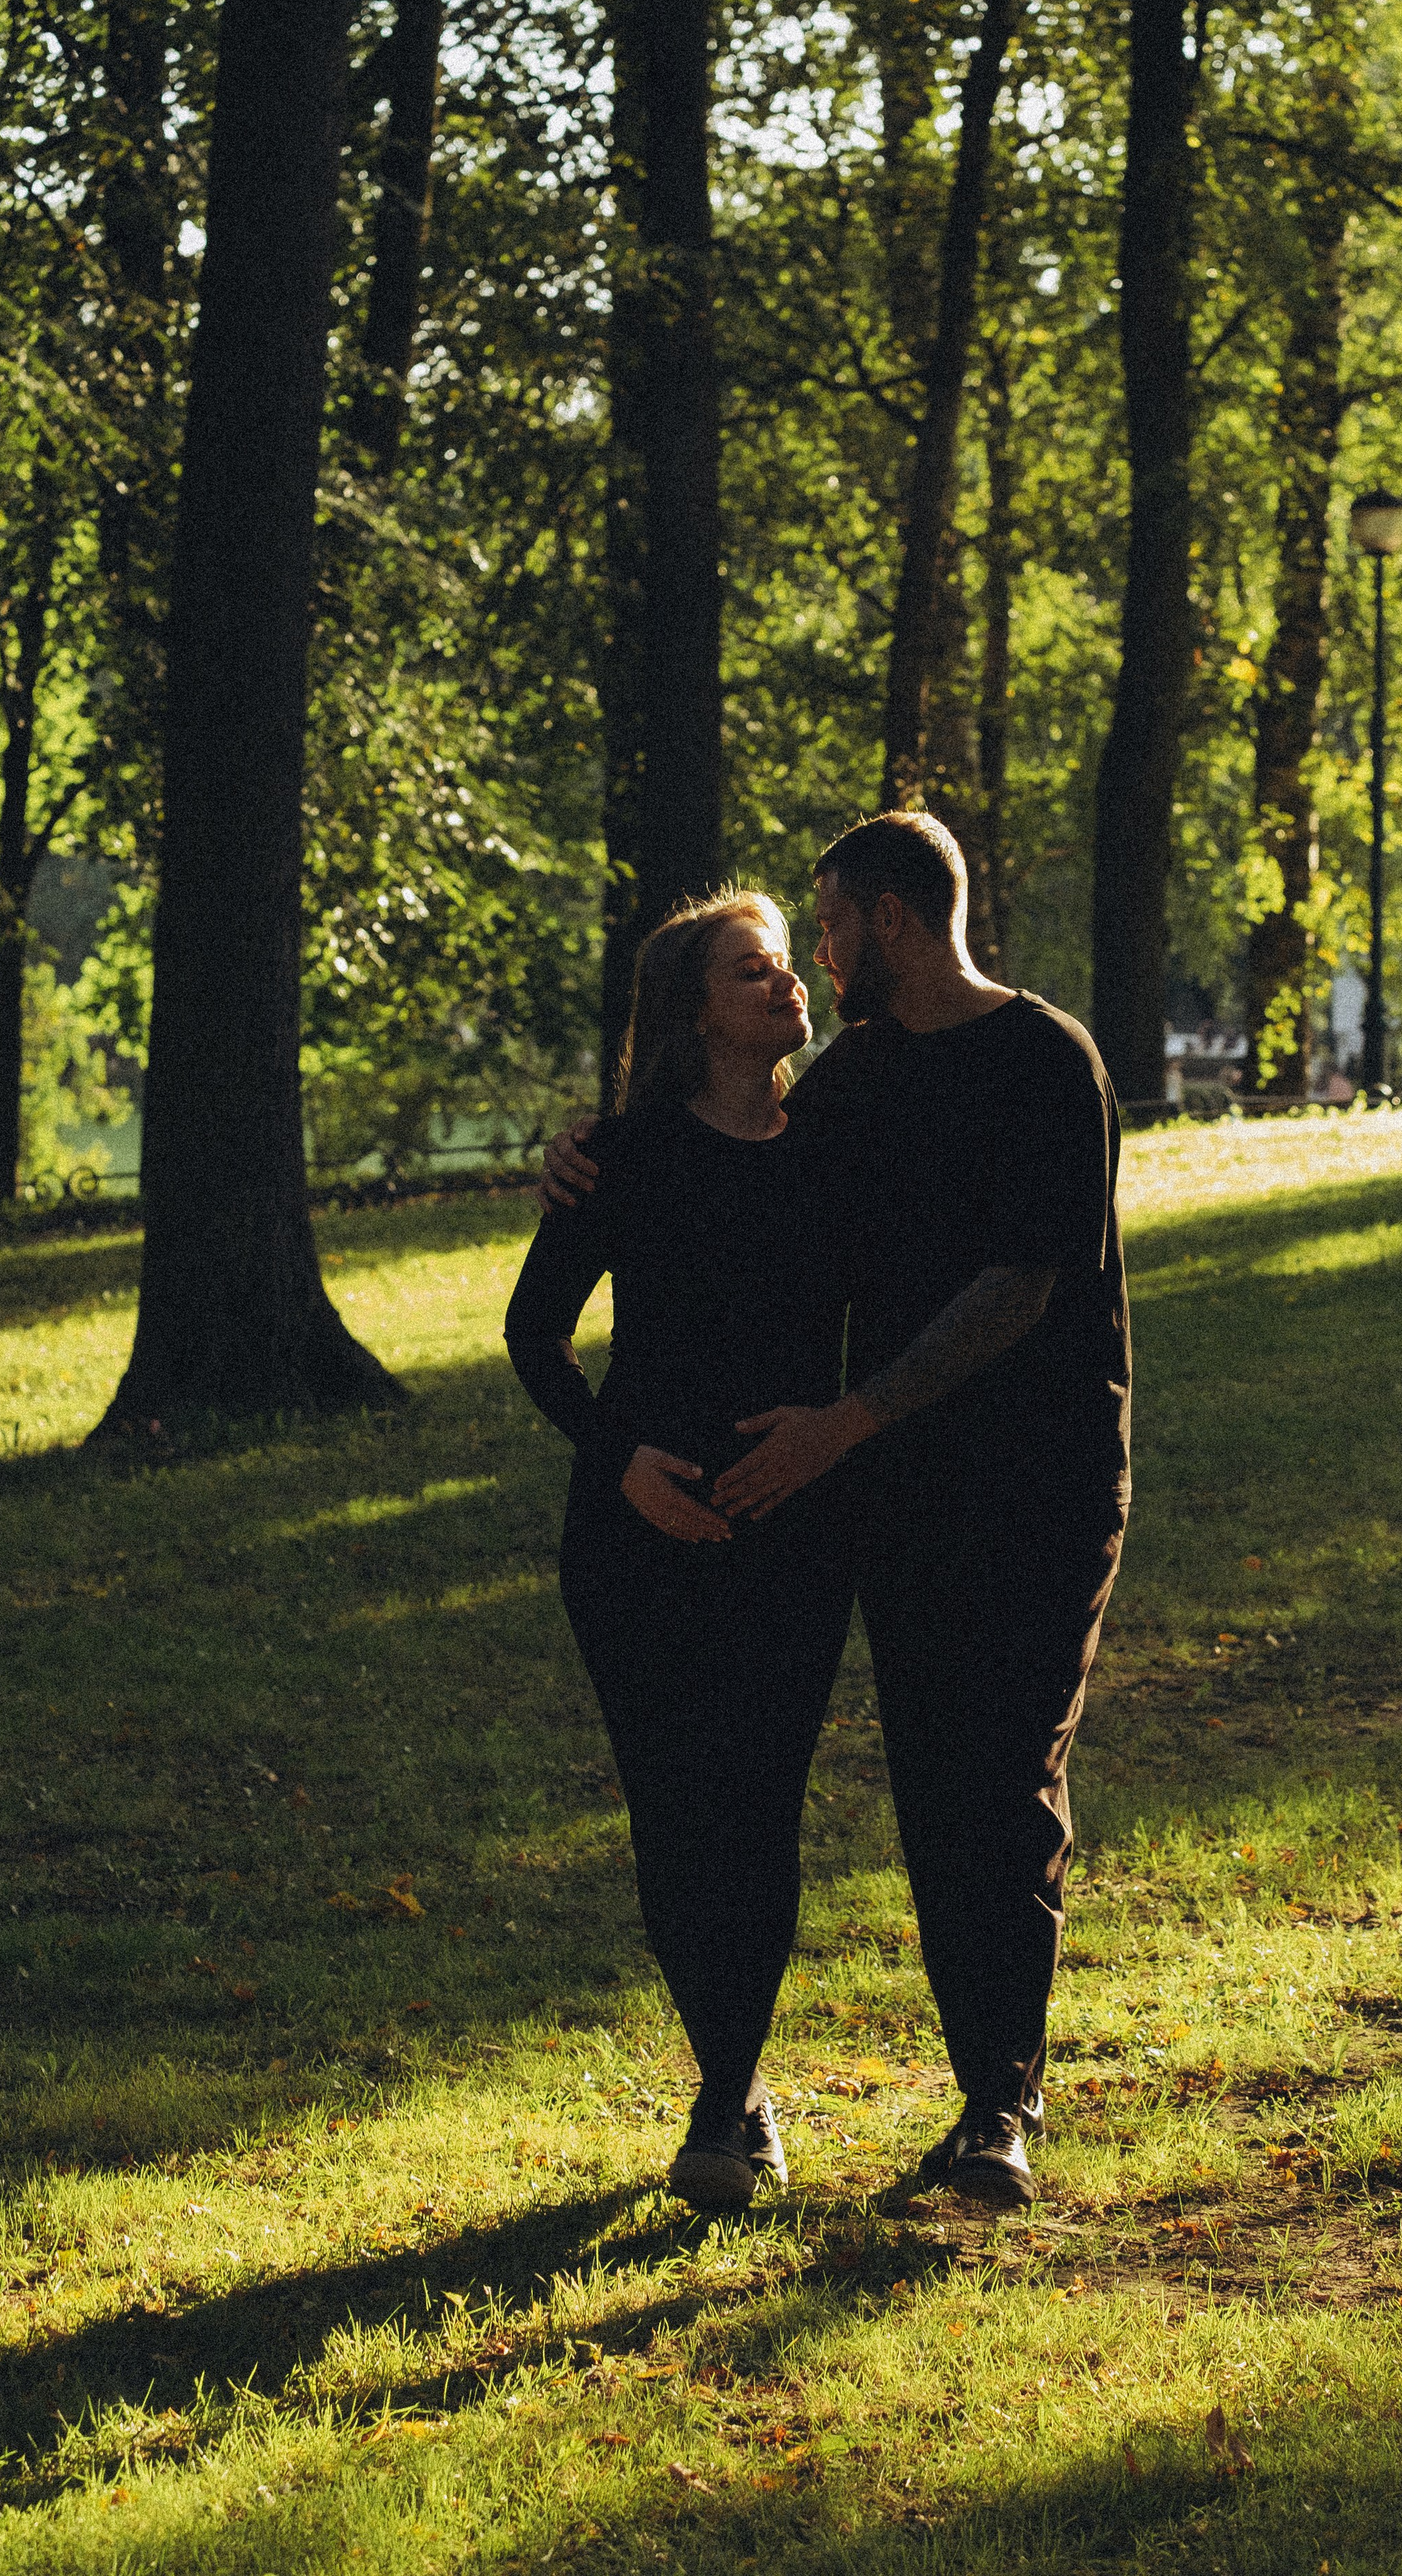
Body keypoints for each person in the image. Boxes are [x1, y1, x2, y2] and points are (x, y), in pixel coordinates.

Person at [539, 813, 1131, 2207]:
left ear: (891, 921)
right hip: (896, 1499)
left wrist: (848, 1422)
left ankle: (1000, 2110)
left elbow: (1018, 1285)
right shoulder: (858, 1078)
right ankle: (938, 2099)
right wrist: (582, 1156)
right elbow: (721, 1156)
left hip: (1040, 1481)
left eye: (830, 926)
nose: (816, 957)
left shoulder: (1048, 1060)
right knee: (935, 1787)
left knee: (1005, 1780)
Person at [503, 892, 855, 2213]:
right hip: (634, 1539)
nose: (787, 986)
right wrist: (623, 1463)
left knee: (760, 1807)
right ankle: (737, 2083)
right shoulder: (622, 1158)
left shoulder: (835, 1145)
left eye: (787, 969)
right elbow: (536, 1336)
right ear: (692, 1008)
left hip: (791, 1530)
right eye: (754, 970)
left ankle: (725, 2096)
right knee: (676, 1814)